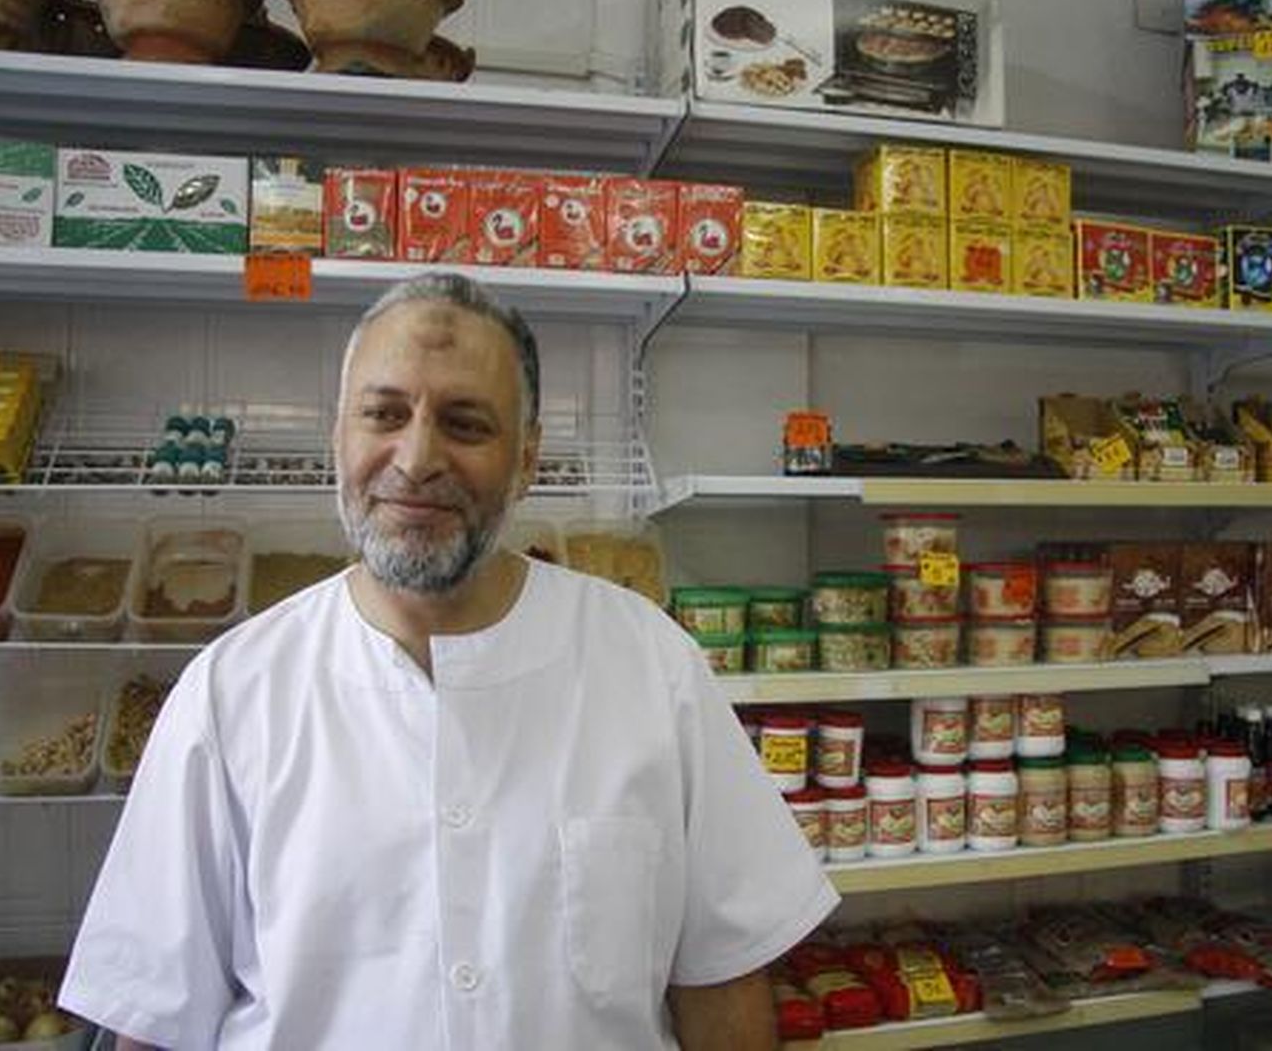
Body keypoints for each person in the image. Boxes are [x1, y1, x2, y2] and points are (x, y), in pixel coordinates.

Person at [58, 273, 839, 1050]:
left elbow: (723, 982)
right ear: (340, 435)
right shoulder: (231, 693)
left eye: (465, 424)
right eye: (384, 414)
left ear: (526, 458)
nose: (418, 456)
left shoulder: (651, 666)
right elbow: (156, 1020)